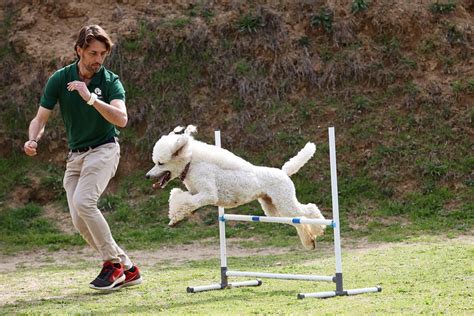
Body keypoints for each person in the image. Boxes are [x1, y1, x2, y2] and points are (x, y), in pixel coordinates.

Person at [23, 25, 141, 291]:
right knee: (78, 219)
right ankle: (128, 268)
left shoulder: (110, 81)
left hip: (104, 150)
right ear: (79, 50)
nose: (98, 59)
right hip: (75, 157)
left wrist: (91, 99)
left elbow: (121, 119)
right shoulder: (59, 79)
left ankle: (112, 265)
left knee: (85, 202)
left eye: (102, 54)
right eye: (92, 53)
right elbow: (40, 118)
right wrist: (33, 139)